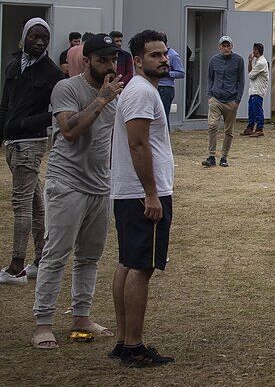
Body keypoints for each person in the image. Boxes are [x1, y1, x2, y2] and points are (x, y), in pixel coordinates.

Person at [33, 34, 126, 349]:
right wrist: (101, 99)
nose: (110, 65)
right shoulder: (67, 88)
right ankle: (43, 322)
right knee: (56, 254)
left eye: (113, 59)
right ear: (87, 61)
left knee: (90, 256)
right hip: (67, 181)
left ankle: (81, 316)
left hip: (100, 184)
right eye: (103, 60)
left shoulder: (115, 92)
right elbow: (70, 131)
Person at [110, 30, 175, 367]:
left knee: (128, 262)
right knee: (141, 267)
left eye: (164, 54)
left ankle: (123, 341)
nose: (162, 59)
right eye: (154, 55)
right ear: (137, 60)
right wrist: (151, 194)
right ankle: (134, 346)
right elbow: (138, 144)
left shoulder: (142, 90)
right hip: (141, 194)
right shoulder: (139, 92)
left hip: (133, 192)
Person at [0, 18, 59, 286]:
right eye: (35, 37)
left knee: (20, 204)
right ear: (25, 37)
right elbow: (5, 104)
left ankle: (15, 267)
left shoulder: (52, 73)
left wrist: (25, 124)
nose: (40, 42)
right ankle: (40, 260)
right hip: (12, 143)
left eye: (45, 38)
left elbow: (56, 113)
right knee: (35, 201)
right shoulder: (14, 66)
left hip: (30, 143)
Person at [202, 36, 245, 169]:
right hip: (216, 99)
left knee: (229, 131)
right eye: (223, 46)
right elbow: (210, 78)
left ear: (231, 46)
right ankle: (211, 156)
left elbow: (241, 81)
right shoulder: (214, 61)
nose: (226, 48)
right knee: (212, 126)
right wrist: (209, 95)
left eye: (228, 46)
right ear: (219, 47)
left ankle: (224, 157)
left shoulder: (238, 60)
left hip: (231, 101)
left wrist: (237, 100)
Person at [242, 43, 269, 138]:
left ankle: (259, 129)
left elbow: (250, 75)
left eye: (253, 49)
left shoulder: (261, 63)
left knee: (257, 110)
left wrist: (250, 63)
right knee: (251, 110)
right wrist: (250, 61)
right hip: (254, 90)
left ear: (257, 50)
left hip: (258, 90)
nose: (252, 51)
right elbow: (251, 73)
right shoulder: (258, 61)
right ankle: (250, 128)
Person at [155, 33, 184, 115]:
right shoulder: (156, 54)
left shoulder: (173, 55)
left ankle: (166, 128)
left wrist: (167, 73)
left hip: (166, 88)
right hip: (155, 86)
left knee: (163, 115)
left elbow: (181, 73)